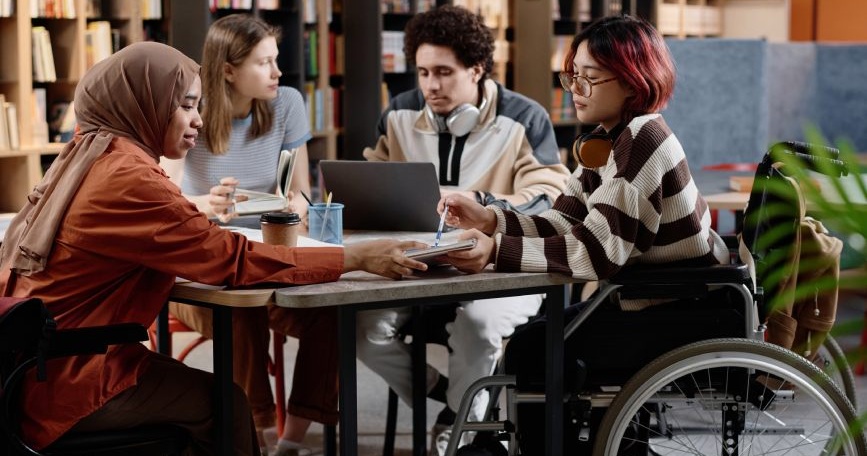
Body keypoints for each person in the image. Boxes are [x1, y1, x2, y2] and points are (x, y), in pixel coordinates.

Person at [0, 41, 427, 456]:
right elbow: (230, 259)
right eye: (185, 105)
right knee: (227, 407)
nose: (199, 120)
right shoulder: (128, 177)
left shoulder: (85, 155)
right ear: (142, 103)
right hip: (74, 381)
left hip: (37, 369)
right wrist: (357, 257)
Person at [437, 15, 730, 449]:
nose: (573, 89)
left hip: (683, 308)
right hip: (647, 299)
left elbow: (596, 253)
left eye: (589, 78)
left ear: (633, 82)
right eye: (572, 75)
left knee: (533, 348)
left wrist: (496, 251)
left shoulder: (643, 137)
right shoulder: (608, 139)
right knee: (531, 343)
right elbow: (565, 222)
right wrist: (490, 219)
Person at [354, 5, 570, 455]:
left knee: (478, 325)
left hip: (503, 264)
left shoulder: (524, 118)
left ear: (477, 70)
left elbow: (549, 194)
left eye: (445, 73)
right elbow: (371, 183)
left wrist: (485, 207)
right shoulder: (397, 114)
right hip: (422, 265)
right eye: (423, 72)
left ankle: (462, 436)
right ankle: (455, 400)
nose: (431, 86)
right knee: (362, 331)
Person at [160, 14, 338, 456]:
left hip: (267, 260)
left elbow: (299, 193)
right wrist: (207, 205)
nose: (278, 73)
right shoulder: (188, 112)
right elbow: (164, 202)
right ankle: (256, 433)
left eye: (276, 61)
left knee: (332, 313)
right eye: (264, 63)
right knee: (243, 311)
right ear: (227, 70)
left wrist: (292, 209)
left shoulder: (287, 103)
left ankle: (291, 441)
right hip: (204, 274)